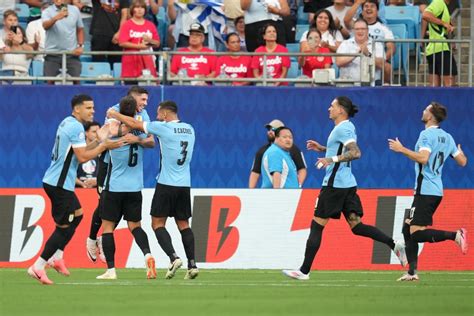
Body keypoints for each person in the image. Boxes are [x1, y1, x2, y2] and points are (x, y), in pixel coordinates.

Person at [282, 96, 407, 280]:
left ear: (341, 110)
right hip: (347, 185)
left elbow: (356, 153)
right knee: (357, 226)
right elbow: (343, 150)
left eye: (332, 106)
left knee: (317, 226)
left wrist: (329, 159)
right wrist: (324, 149)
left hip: (334, 186)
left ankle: (304, 271)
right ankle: (394, 244)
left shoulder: (344, 128)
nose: (329, 108)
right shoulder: (344, 128)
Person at [27, 94, 124, 285]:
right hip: (59, 185)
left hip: (57, 181)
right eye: (88, 108)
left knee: (78, 216)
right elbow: (82, 157)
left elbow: (80, 149)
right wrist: (105, 145)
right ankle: (38, 266)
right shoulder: (75, 127)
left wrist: (99, 141)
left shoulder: (67, 122)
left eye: (93, 107)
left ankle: (57, 256)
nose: (93, 111)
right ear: (77, 109)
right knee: (63, 228)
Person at [107, 100, 199, 280]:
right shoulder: (190, 129)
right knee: (184, 225)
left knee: (157, 224)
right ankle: (193, 264)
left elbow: (134, 124)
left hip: (166, 183)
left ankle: (173, 257)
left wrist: (114, 114)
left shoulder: (162, 127)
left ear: (165, 114)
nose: (156, 117)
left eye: (158, 114)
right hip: (184, 184)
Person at [388, 102, 468, 281]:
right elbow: (462, 162)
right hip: (434, 190)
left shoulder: (426, 134)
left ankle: (455, 235)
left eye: (425, 109)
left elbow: (424, 158)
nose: (422, 111)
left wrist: (401, 149)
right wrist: (461, 152)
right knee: (407, 228)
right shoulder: (447, 137)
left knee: (416, 233)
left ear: (431, 116)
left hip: (426, 191)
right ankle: (411, 272)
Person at [86, 86, 155, 264]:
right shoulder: (115, 110)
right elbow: (110, 133)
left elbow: (149, 139)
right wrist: (132, 129)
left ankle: (104, 238)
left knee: (111, 207)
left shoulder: (141, 114)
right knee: (103, 203)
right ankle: (92, 239)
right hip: (108, 165)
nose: (145, 104)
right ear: (132, 98)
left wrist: (137, 136)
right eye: (143, 100)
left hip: (124, 170)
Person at [344, 0, 393, 83]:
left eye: (372, 6)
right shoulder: (356, 25)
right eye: (366, 6)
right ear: (362, 11)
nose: (369, 8)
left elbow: (391, 48)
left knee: (387, 67)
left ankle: (383, 89)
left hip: (375, 58)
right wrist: (358, 3)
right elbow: (346, 20)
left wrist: (382, 60)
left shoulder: (384, 29)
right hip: (355, 57)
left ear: (377, 11)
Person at [249, 119, 307, 188]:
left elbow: (302, 169)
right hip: (276, 195)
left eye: (273, 129)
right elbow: (255, 173)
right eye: (268, 129)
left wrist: (298, 185)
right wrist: (251, 192)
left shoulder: (294, 150)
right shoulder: (266, 151)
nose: (270, 131)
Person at [42, 0, 84, 85]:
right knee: (49, 82)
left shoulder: (75, 10)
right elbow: (45, 26)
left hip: (71, 53)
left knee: (76, 81)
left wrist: (80, 46)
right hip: (52, 53)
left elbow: (80, 29)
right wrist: (56, 18)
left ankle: (77, 98)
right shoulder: (47, 11)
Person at [118, 0, 160, 84]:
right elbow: (122, 42)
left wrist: (149, 40)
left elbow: (157, 43)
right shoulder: (127, 24)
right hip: (130, 63)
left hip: (147, 63)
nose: (140, 10)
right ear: (132, 10)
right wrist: (139, 46)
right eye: (137, 7)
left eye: (142, 8)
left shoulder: (150, 25)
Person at [336, 18, 384, 84]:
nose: (360, 31)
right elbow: (339, 62)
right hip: (348, 85)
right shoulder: (345, 44)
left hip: (371, 85)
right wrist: (355, 55)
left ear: (367, 31)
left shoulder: (376, 44)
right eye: (357, 29)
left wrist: (368, 54)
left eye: (363, 29)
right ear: (353, 31)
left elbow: (382, 65)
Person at [422, 0, 457, 87]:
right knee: (450, 85)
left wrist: (451, 40)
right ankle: (449, 101)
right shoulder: (439, 2)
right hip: (441, 49)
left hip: (434, 50)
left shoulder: (444, 6)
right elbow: (425, 15)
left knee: (434, 88)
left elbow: (442, 29)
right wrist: (444, 23)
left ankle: (435, 101)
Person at [89, 0, 129, 65]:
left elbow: (124, 16)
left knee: (116, 65)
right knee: (98, 64)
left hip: (116, 35)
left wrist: (119, 32)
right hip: (99, 34)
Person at [76, 121, 101, 189]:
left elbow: (109, 174)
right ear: (86, 133)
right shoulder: (78, 150)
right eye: (94, 132)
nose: (97, 134)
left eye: (99, 132)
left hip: (97, 190)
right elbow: (68, 173)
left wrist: (97, 181)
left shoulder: (103, 153)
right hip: (78, 190)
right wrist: (81, 183)